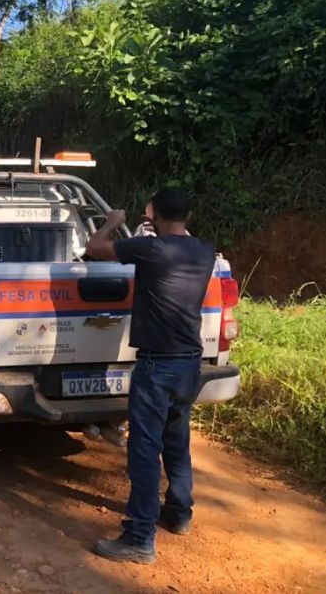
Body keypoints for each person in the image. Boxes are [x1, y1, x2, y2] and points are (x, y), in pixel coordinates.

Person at [84, 188, 215, 564]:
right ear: (188, 216)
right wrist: (153, 226)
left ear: (152, 212)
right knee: (177, 441)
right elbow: (177, 240)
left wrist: (113, 222)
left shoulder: (149, 249)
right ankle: (178, 513)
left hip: (157, 366)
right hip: (191, 363)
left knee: (144, 449)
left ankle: (139, 538)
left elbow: (95, 248)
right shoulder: (204, 251)